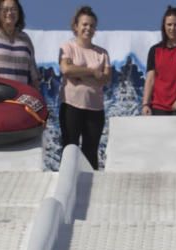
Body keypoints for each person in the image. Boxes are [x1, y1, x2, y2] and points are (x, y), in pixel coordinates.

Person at [58, 6, 111, 170]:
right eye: (84, 24)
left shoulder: (102, 53)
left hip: (95, 109)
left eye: (92, 25)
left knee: (91, 151)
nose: (88, 28)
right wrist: (92, 72)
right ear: (76, 26)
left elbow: (106, 79)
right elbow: (66, 69)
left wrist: (79, 74)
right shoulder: (68, 47)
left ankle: (90, 190)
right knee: (70, 148)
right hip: (71, 106)